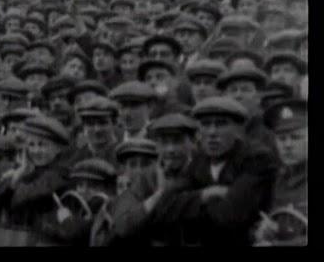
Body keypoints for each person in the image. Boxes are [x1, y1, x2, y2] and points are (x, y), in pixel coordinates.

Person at [151, 97, 278, 246]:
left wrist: (186, 210)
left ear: (237, 129)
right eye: (206, 124)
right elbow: (163, 208)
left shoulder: (256, 158)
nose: (212, 132)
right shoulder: (199, 161)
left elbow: (230, 216)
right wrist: (205, 194)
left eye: (221, 124)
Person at [111, 113, 198, 246]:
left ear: (192, 142)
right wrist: (159, 194)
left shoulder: (202, 172)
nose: (170, 149)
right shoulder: (147, 177)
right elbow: (123, 225)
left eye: (177, 141)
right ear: (156, 146)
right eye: (164, 142)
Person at [0, 115, 71, 230]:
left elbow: (24, 198)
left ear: (58, 148)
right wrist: (18, 175)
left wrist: (15, 180)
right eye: (31, 145)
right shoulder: (26, 171)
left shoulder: (60, 173)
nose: (36, 151)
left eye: (42, 145)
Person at [254, 98, 307, 246]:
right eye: (281, 138)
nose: (288, 145)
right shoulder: (280, 179)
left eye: (296, 137)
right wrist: (268, 230)